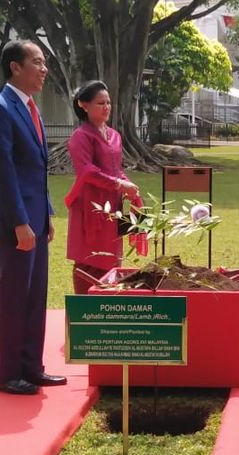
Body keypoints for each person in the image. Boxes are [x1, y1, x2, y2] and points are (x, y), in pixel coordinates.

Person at [0, 40, 66, 395]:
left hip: (36, 217)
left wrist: (45, 214)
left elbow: (38, 170)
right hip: (15, 220)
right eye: (37, 62)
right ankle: (4, 373)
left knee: (35, 294)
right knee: (15, 294)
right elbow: (4, 173)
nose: (44, 69)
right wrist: (20, 222)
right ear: (15, 67)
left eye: (44, 62)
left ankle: (31, 367)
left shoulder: (31, 107)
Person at [65, 80, 141, 294]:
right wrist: (119, 183)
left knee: (111, 257)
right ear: (83, 105)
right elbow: (86, 171)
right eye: (100, 103)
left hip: (112, 205)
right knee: (89, 259)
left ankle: (108, 304)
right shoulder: (81, 136)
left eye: (108, 102)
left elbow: (116, 169)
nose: (106, 107)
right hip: (89, 206)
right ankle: (85, 309)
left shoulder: (114, 135)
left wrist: (128, 185)